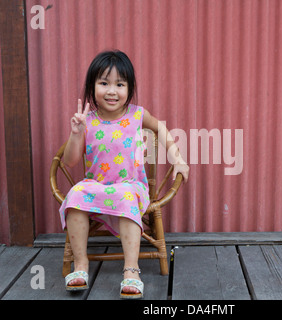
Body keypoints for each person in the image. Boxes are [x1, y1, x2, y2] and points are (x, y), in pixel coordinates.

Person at [59, 50, 189, 299]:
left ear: (130, 88)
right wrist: (76, 133)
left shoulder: (137, 115)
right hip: (96, 186)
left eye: (120, 84)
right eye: (104, 83)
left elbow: (160, 128)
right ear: (91, 86)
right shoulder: (89, 120)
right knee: (75, 196)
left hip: (131, 186)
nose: (112, 91)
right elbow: (70, 160)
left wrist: (178, 158)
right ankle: (81, 266)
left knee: (128, 198)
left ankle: (131, 270)